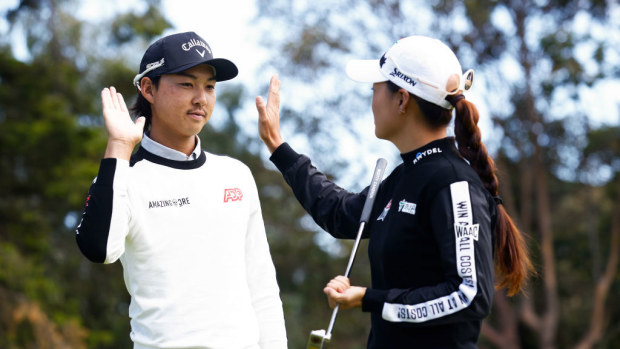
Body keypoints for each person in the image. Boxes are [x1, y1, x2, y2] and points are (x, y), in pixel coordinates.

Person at [256, 35, 533, 348]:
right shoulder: (404, 177)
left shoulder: (454, 182)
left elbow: (469, 295)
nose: (371, 100)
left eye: (375, 90)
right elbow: (340, 214)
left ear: (402, 99)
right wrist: (278, 147)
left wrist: (371, 299)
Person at [76, 31, 287, 349]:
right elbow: (99, 249)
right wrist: (119, 145)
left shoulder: (236, 175)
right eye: (187, 84)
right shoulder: (124, 178)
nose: (201, 98)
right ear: (148, 88)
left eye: (210, 86)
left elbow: (262, 286)